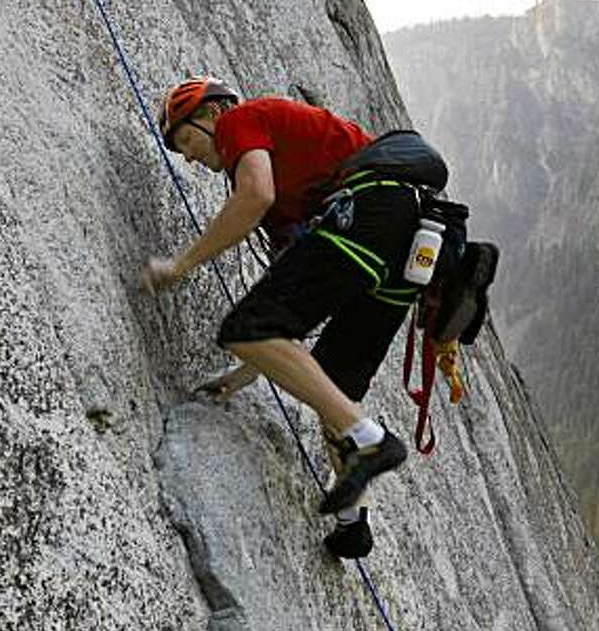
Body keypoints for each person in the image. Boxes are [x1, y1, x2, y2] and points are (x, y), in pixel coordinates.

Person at [142, 76, 422, 559]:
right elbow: (288, 317)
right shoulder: (296, 194)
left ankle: (371, 441)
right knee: (333, 389)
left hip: (369, 212)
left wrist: (182, 265)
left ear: (210, 114)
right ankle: (352, 524)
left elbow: (254, 196)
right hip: (406, 251)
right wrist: (243, 375)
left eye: (185, 139)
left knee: (245, 329)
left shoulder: (240, 120)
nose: (188, 157)